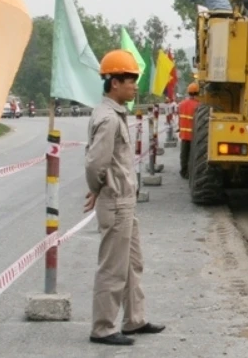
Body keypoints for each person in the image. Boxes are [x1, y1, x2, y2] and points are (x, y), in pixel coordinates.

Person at [84, 49, 166, 346]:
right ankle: (103, 327)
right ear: (114, 83)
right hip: (116, 200)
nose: (134, 85)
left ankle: (134, 319)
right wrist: (96, 189)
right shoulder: (108, 118)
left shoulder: (116, 114)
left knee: (132, 263)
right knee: (113, 267)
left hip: (124, 200)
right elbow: (95, 163)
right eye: (130, 80)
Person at [178, 82, 200, 179]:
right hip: (194, 135)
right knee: (192, 155)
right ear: (198, 93)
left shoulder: (181, 104)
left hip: (184, 134)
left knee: (184, 154)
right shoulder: (198, 106)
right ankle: (191, 173)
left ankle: (183, 171)